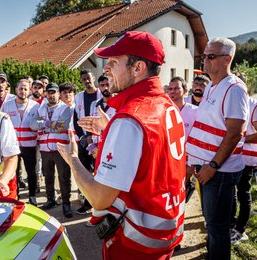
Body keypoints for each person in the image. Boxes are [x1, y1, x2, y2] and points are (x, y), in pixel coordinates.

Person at [57, 31, 186, 259]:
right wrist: (110, 131)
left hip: (134, 244)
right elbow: (151, 151)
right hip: (164, 233)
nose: (105, 68)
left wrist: (72, 159)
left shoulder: (129, 120)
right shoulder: (166, 104)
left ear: (138, 68)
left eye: (114, 62)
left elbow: (99, 198)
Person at [186, 37, 248, 259]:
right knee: (212, 225)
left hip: (219, 172)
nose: (205, 60)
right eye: (204, 56)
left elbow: (235, 133)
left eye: (210, 56)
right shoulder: (212, 86)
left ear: (227, 59)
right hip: (208, 169)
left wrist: (212, 166)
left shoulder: (234, 89)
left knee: (217, 228)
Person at [31, 82, 74, 218]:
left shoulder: (64, 108)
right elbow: (33, 125)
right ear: (46, 94)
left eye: (54, 92)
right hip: (45, 149)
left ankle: (66, 203)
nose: (51, 95)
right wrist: (49, 124)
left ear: (58, 94)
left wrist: (43, 125)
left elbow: (62, 126)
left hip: (60, 148)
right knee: (48, 176)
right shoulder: (41, 109)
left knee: (63, 176)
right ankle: (51, 200)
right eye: (49, 92)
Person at [1, 79, 39, 205]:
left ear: (29, 91)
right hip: (13, 146)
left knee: (31, 172)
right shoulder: (7, 105)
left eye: (26, 89)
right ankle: (15, 195)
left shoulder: (35, 106)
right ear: (16, 90)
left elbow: (39, 124)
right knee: (13, 172)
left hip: (29, 145)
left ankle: (32, 196)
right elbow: (2, 125)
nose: (23, 91)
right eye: (21, 88)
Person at [165, 77, 198, 203]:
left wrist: (191, 164)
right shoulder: (165, 111)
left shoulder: (195, 112)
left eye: (176, 88)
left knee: (181, 195)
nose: (172, 92)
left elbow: (197, 139)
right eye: (170, 89)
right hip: (168, 162)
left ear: (185, 91)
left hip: (186, 163)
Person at [74, 69, 102, 214]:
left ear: (94, 78)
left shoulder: (102, 95)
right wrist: (83, 137)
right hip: (84, 141)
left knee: (98, 171)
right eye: (83, 79)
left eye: (88, 78)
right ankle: (86, 202)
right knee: (83, 171)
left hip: (99, 141)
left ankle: (99, 201)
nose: (86, 81)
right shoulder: (78, 97)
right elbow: (75, 119)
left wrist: (93, 137)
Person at [230, 96, 256, 244]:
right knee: (233, 192)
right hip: (234, 156)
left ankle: (241, 230)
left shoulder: (253, 106)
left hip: (247, 159)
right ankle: (232, 226)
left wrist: (239, 138)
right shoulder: (234, 103)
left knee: (243, 194)